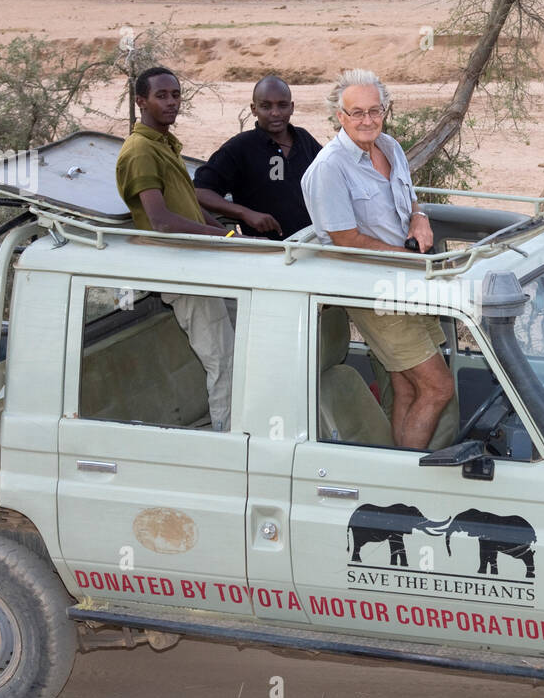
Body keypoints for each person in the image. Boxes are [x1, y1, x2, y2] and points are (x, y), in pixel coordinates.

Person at [301, 68, 455, 450]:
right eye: (357, 113)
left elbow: (409, 197)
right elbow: (345, 239)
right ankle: (409, 475)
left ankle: (397, 471)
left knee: (405, 386)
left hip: (408, 281)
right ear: (340, 116)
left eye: (375, 110)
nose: (367, 120)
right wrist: (408, 260)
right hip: (376, 295)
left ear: (385, 111)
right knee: (439, 388)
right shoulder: (328, 169)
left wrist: (419, 217)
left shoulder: (391, 147)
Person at [115, 65, 234, 431]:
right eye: (161, 96)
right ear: (141, 101)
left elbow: (191, 207)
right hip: (184, 273)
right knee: (224, 363)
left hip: (202, 264)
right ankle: (230, 445)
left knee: (239, 354)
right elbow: (162, 221)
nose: (171, 103)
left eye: (176, 95)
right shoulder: (140, 152)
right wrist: (220, 240)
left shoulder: (163, 143)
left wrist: (234, 241)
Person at [193, 75, 322, 239]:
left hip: (313, 241)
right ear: (254, 109)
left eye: (282, 105)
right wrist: (245, 213)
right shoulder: (239, 147)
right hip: (267, 250)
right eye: (266, 106)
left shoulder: (304, 139)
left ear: (292, 107)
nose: (275, 113)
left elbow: (329, 177)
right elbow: (199, 191)